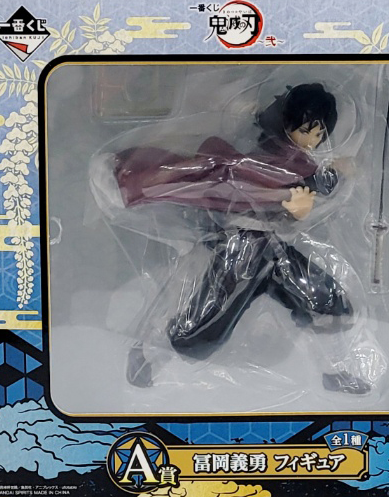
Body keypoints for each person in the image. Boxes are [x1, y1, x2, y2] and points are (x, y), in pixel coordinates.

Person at [109, 82, 369, 394]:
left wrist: (328, 179)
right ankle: (147, 354)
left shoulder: (295, 161)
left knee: (326, 303)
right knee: (199, 334)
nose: (312, 141)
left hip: (270, 250)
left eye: (319, 134)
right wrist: (324, 181)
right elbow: (274, 183)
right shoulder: (271, 158)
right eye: (306, 131)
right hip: (242, 249)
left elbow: (302, 187)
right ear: (287, 124)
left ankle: (334, 372)